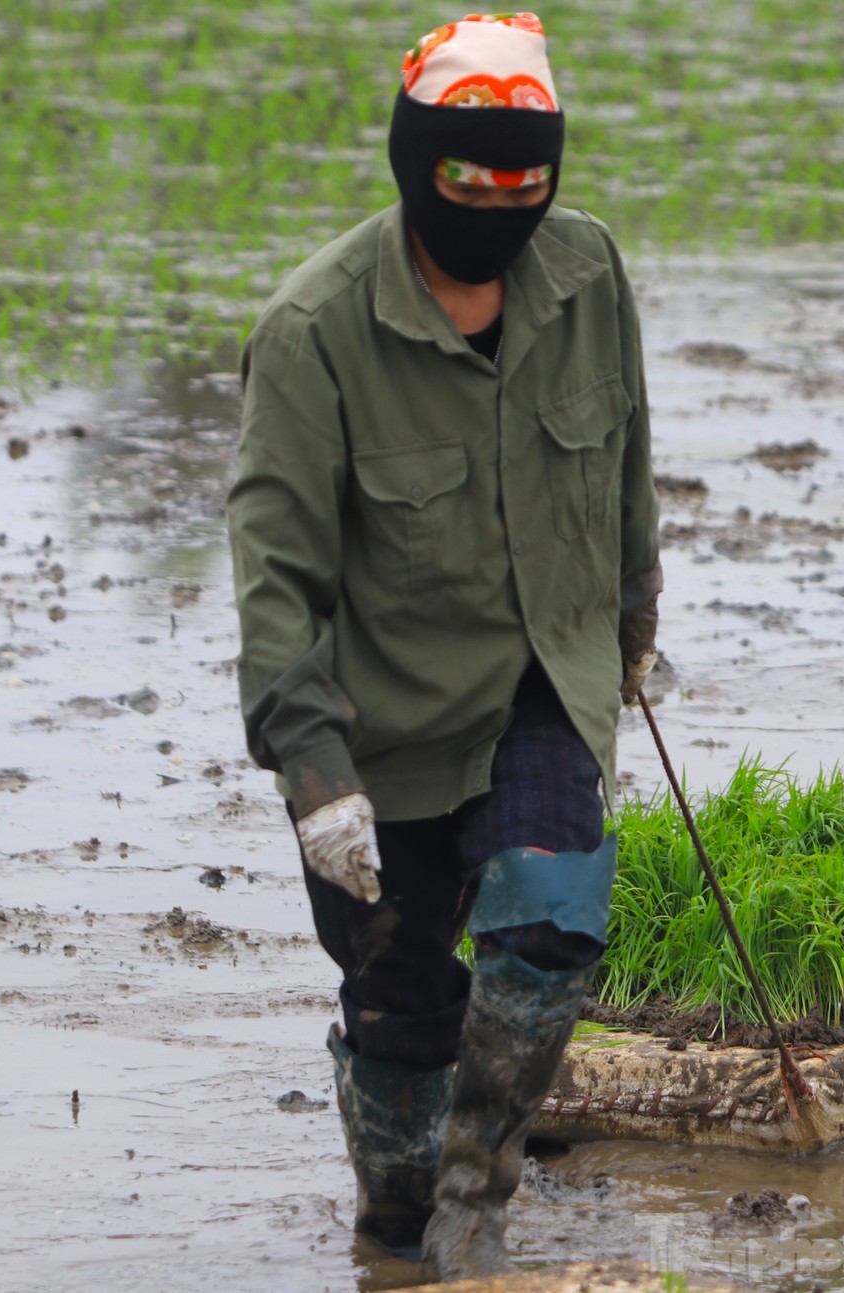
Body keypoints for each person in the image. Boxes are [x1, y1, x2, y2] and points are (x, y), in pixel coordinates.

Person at [225, 12, 661, 1279]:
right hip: (384, 728)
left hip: (540, 677)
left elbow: (627, 463)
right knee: (402, 1015)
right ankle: (399, 1224)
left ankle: (480, 1196)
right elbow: (277, 580)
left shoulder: (587, 277)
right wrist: (314, 782)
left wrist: (633, 620)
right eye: (470, 179)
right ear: (416, 166)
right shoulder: (315, 333)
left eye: (526, 179)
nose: (500, 204)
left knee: (555, 909)